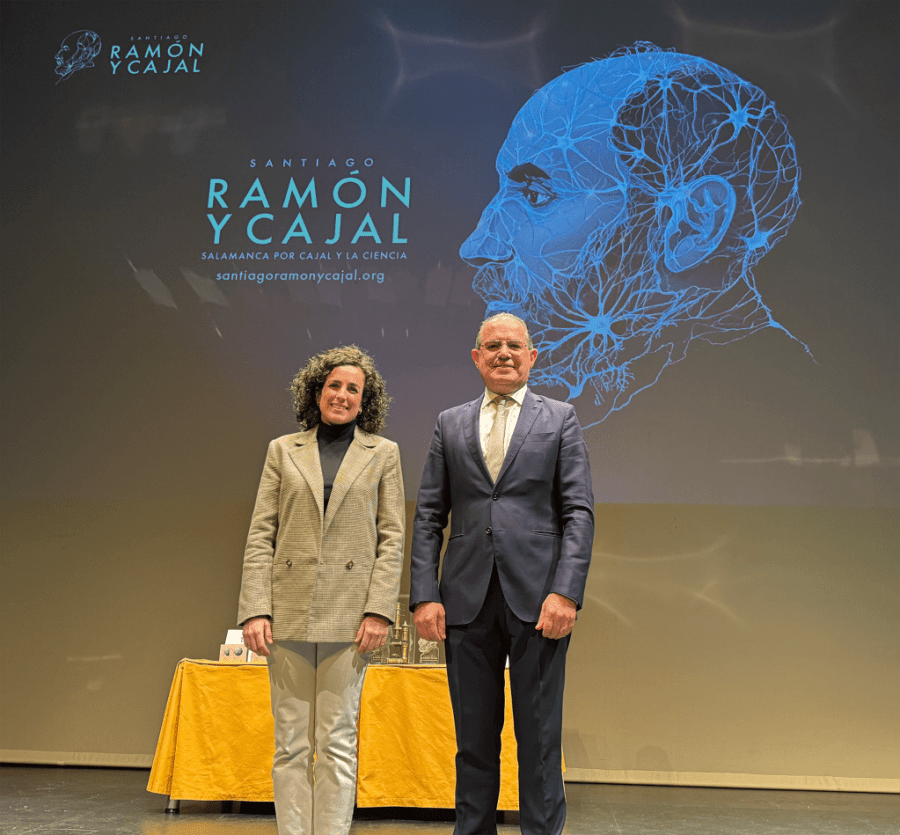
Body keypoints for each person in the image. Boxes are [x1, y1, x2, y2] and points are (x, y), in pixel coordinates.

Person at [461, 42, 808, 424]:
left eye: (536, 194)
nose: (476, 246)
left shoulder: (772, 423)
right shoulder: (605, 406)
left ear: (693, 224)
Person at [410, 312, 594, 835]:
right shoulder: (449, 423)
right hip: (465, 601)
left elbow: (578, 513)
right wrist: (424, 594)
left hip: (539, 602)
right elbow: (428, 515)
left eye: (514, 345)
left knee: (539, 741)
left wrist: (566, 593)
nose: (504, 354)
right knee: (472, 742)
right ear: (477, 357)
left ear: (532, 356)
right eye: (492, 346)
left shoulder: (560, 418)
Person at [238, 345, 404, 835]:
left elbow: (392, 539)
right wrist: (255, 609)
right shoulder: (282, 449)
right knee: (290, 744)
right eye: (334, 385)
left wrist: (379, 610)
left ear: (365, 401)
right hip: (286, 609)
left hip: (350, 615)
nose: (342, 395)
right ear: (316, 391)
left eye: (353, 389)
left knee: (336, 742)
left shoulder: (384, 454)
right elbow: (261, 534)